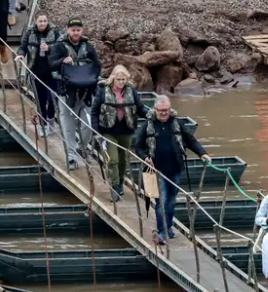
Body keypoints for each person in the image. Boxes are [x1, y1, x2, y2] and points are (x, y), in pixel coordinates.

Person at [133, 95, 210, 245]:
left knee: (171, 201)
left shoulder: (177, 123)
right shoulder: (147, 125)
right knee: (161, 201)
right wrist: (144, 157)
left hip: (175, 168)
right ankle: (161, 232)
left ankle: (168, 227)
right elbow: (138, 145)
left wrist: (202, 153)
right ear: (155, 109)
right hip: (155, 171)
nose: (164, 113)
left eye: (166, 110)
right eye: (161, 110)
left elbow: (189, 140)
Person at [48, 18, 101, 170]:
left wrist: (93, 78)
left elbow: (97, 65)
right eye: (73, 30)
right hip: (66, 92)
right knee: (68, 126)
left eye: (78, 30)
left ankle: (82, 147)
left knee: (88, 125)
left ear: (81, 31)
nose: (76, 32)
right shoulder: (59, 46)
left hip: (86, 93)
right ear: (67, 30)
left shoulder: (88, 47)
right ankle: (71, 157)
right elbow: (51, 64)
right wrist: (63, 61)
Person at [91, 65, 148, 202]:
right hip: (107, 131)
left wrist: (151, 115)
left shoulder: (131, 91)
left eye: (123, 79)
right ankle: (115, 187)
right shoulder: (103, 92)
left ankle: (120, 182)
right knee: (113, 160)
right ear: (113, 78)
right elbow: (95, 112)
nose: (121, 82)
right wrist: (95, 131)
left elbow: (140, 108)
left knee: (122, 160)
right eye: (119, 79)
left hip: (126, 131)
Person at [17, 12, 59, 135]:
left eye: (45, 21)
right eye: (40, 21)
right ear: (36, 22)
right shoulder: (30, 32)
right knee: (40, 100)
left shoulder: (55, 32)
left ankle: (51, 119)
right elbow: (23, 46)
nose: (43, 23)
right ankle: (43, 125)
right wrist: (20, 54)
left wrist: (49, 48)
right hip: (36, 72)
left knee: (52, 99)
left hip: (52, 72)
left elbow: (62, 46)